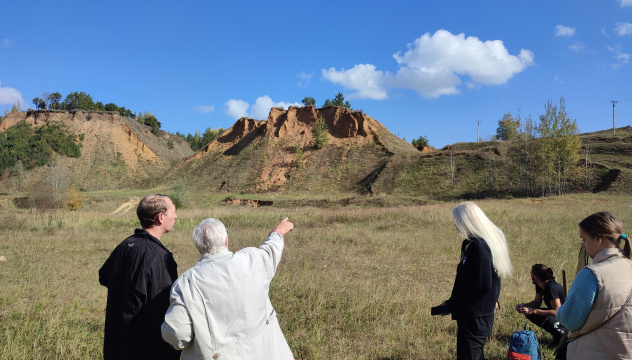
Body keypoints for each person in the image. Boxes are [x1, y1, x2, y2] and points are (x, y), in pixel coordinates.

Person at [161, 217, 295, 360]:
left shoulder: (186, 283)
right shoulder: (251, 259)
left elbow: (178, 333)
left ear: (198, 245)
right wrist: (278, 231)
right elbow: (270, 249)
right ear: (226, 239)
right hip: (263, 352)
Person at [99, 194, 181, 360]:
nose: (176, 216)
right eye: (173, 211)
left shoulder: (124, 245)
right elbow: (161, 309)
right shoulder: (159, 257)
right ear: (160, 217)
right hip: (143, 348)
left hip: (116, 344)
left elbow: (104, 276)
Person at [435, 201, 512, 360]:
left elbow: (483, 285)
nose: (456, 226)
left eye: (458, 221)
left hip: (475, 318)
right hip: (473, 315)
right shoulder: (476, 244)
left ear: (466, 221)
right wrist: (451, 302)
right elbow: (471, 282)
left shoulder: (480, 247)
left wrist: (455, 304)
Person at [557, 212, 632, 359]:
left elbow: (570, 321)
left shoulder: (591, 275)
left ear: (598, 239)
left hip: (595, 351)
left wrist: (560, 311)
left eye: (584, 239)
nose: (583, 245)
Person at [515, 264, 566, 345]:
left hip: (566, 318)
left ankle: (561, 335)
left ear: (535, 276)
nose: (530, 275)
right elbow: (537, 302)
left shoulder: (550, 287)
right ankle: (557, 335)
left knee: (545, 318)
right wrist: (524, 306)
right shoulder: (540, 285)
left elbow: (557, 311)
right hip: (559, 316)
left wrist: (533, 311)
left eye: (531, 273)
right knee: (530, 313)